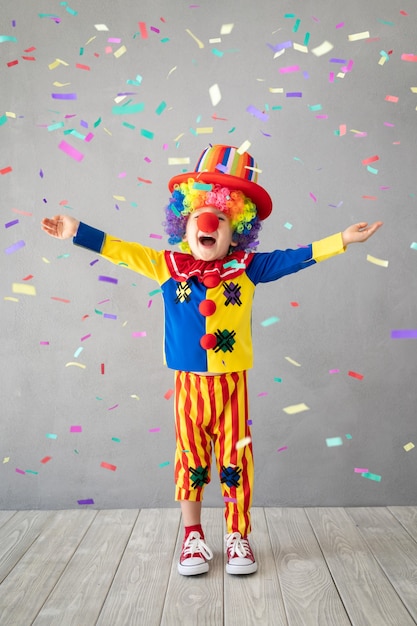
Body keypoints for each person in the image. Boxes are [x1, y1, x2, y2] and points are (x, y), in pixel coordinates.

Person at [41, 144, 382, 576]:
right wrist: (77, 230)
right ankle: (193, 536)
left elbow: (296, 258)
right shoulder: (167, 265)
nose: (209, 223)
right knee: (190, 458)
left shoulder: (247, 267)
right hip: (189, 387)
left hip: (232, 386)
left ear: (235, 228)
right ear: (183, 223)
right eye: (200, 216)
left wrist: (343, 240)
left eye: (220, 218)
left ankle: (238, 535)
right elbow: (120, 249)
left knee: (236, 460)